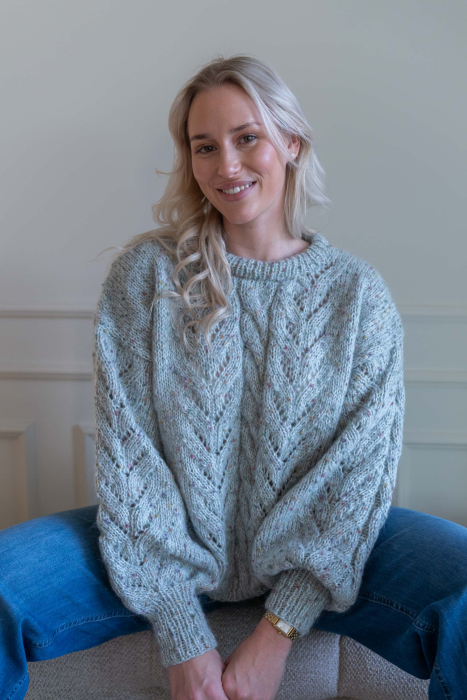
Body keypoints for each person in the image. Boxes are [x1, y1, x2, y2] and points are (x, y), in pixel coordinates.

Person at [0, 54, 466, 700]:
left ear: (291, 143)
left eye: (247, 138)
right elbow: (130, 459)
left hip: (320, 553)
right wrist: (181, 636)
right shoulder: (147, 277)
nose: (226, 165)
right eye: (204, 146)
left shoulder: (357, 296)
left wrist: (278, 630)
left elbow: (356, 477)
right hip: (167, 546)